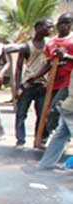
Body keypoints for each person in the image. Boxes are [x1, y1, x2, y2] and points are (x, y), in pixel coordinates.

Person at [28, 13, 73, 148]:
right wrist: (35, 76)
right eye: (61, 23)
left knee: (54, 111)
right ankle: (46, 141)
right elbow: (48, 63)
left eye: (67, 23)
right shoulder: (51, 42)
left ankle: (62, 139)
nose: (63, 26)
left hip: (68, 82)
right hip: (53, 82)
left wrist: (65, 56)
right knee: (46, 112)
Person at [13, 19, 53, 147]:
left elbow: (52, 64)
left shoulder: (50, 44)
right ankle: (20, 140)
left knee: (42, 115)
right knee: (21, 114)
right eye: (48, 27)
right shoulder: (26, 46)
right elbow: (18, 68)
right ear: (38, 28)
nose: (50, 30)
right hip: (28, 84)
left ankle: (40, 140)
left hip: (43, 84)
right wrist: (17, 87)